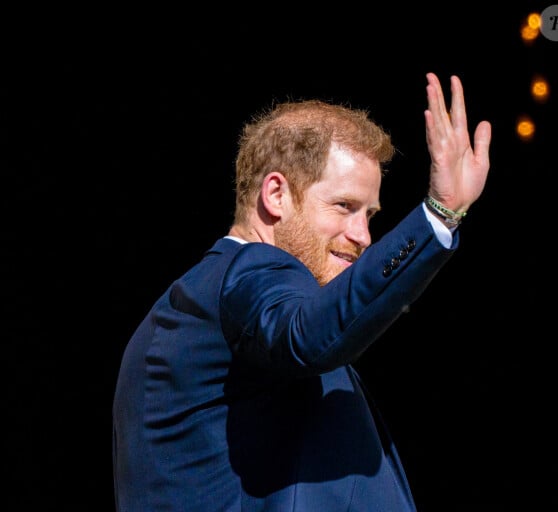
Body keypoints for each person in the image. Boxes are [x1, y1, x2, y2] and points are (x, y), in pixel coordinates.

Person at [112, 72, 491, 511]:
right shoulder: (248, 270)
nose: (364, 235)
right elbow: (308, 334)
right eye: (344, 206)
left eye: (369, 213)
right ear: (276, 194)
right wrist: (438, 216)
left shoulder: (199, 306)